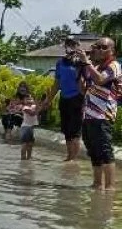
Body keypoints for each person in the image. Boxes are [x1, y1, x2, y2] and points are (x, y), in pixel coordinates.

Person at [79, 37, 121, 191]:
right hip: (88, 115)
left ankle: (110, 187)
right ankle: (97, 184)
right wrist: (81, 69)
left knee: (105, 151)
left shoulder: (114, 66)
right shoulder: (94, 66)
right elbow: (83, 90)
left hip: (103, 115)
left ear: (112, 51)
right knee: (93, 150)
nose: (99, 50)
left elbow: (101, 80)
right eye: (97, 47)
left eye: (104, 47)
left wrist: (87, 63)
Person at [46, 38, 86, 161]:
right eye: (68, 45)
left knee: (75, 132)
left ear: (78, 46)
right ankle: (69, 157)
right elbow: (57, 83)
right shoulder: (60, 62)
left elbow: (86, 84)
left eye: (74, 44)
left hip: (77, 99)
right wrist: (49, 99)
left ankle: (73, 159)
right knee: (67, 130)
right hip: (64, 98)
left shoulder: (82, 63)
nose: (71, 47)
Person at [19, 93, 40, 161]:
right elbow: (32, 114)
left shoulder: (33, 106)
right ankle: (23, 157)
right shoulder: (25, 107)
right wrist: (38, 108)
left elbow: (42, 106)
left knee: (30, 144)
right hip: (25, 127)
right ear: (24, 101)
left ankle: (29, 158)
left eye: (30, 99)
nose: (29, 100)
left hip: (31, 127)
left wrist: (37, 103)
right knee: (25, 143)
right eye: (27, 99)